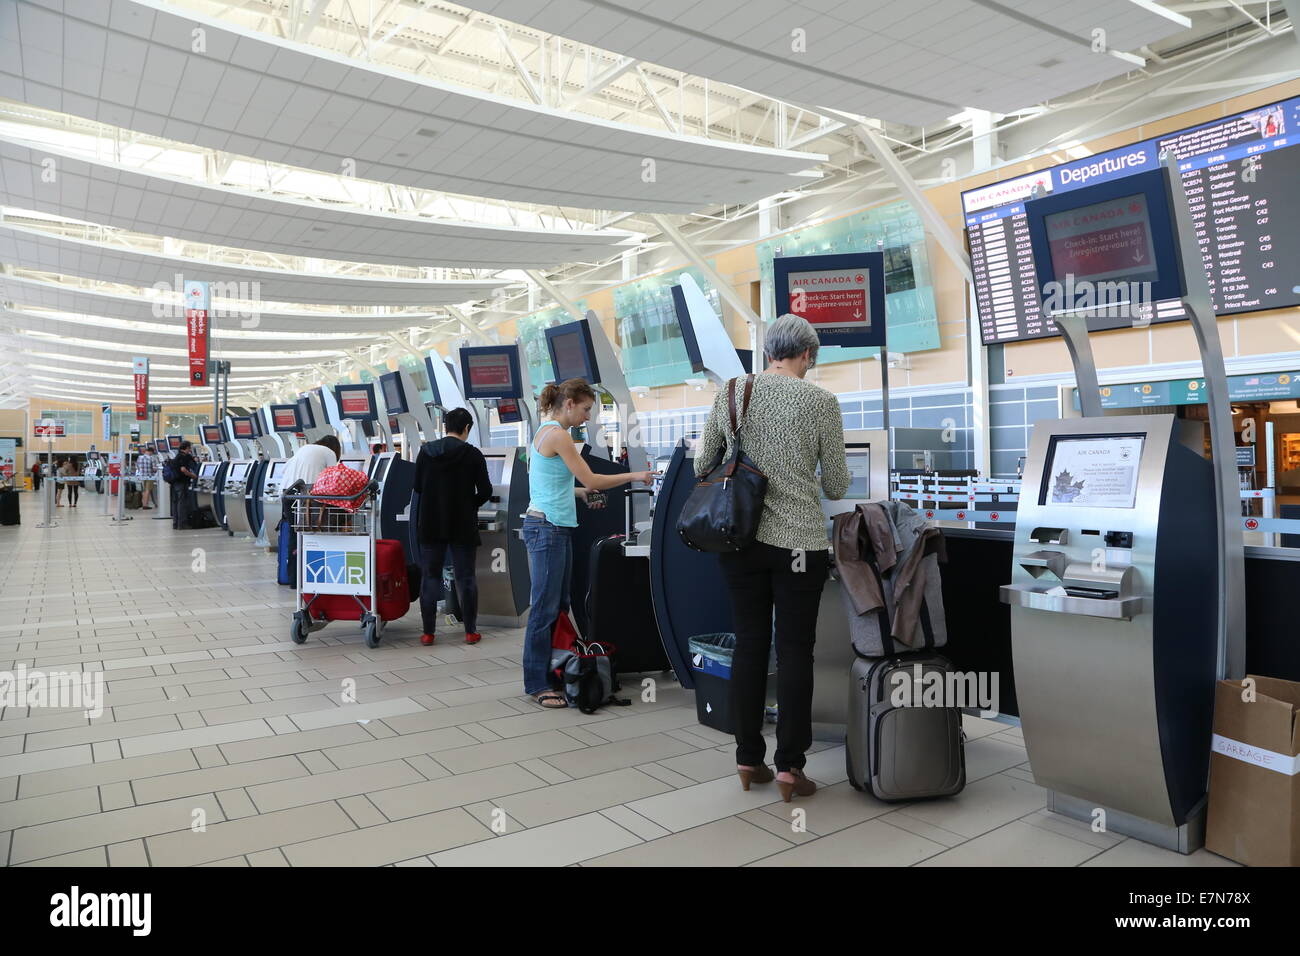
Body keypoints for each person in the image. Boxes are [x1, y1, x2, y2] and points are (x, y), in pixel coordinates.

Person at [694, 314, 849, 802]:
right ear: (808, 355)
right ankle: (790, 768)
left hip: (740, 541)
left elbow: (703, 465)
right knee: (796, 651)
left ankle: (747, 757)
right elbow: (839, 484)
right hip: (799, 544)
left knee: (750, 645)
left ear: (767, 354)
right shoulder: (821, 401)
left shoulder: (734, 391)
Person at [522, 379, 652, 708]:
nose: (587, 417)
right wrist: (634, 476)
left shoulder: (544, 432)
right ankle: (537, 683)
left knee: (557, 605)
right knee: (544, 609)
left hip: (551, 526)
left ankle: (555, 671)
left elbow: (551, 484)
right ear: (568, 404)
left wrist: (580, 494)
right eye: (585, 409)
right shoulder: (558, 435)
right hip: (547, 529)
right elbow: (591, 478)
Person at [413, 408, 492, 647]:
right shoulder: (473, 454)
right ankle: (470, 631)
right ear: (467, 428)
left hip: (430, 522)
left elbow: (418, 487)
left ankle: (428, 633)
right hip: (462, 523)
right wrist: (469, 505)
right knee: (465, 576)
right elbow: (486, 491)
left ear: (445, 426)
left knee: (430, 576)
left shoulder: (425, 452)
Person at [171, 441, 199, 529]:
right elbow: (183, 469)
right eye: (190, 448)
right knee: (182, 503)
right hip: (182, 482)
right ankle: (182, 524)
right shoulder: (184, 456)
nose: (190, 450)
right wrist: (193, 476)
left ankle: (175, 523)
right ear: (187, 448)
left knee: (176, 503)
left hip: (174, 482)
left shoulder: (177, 456)